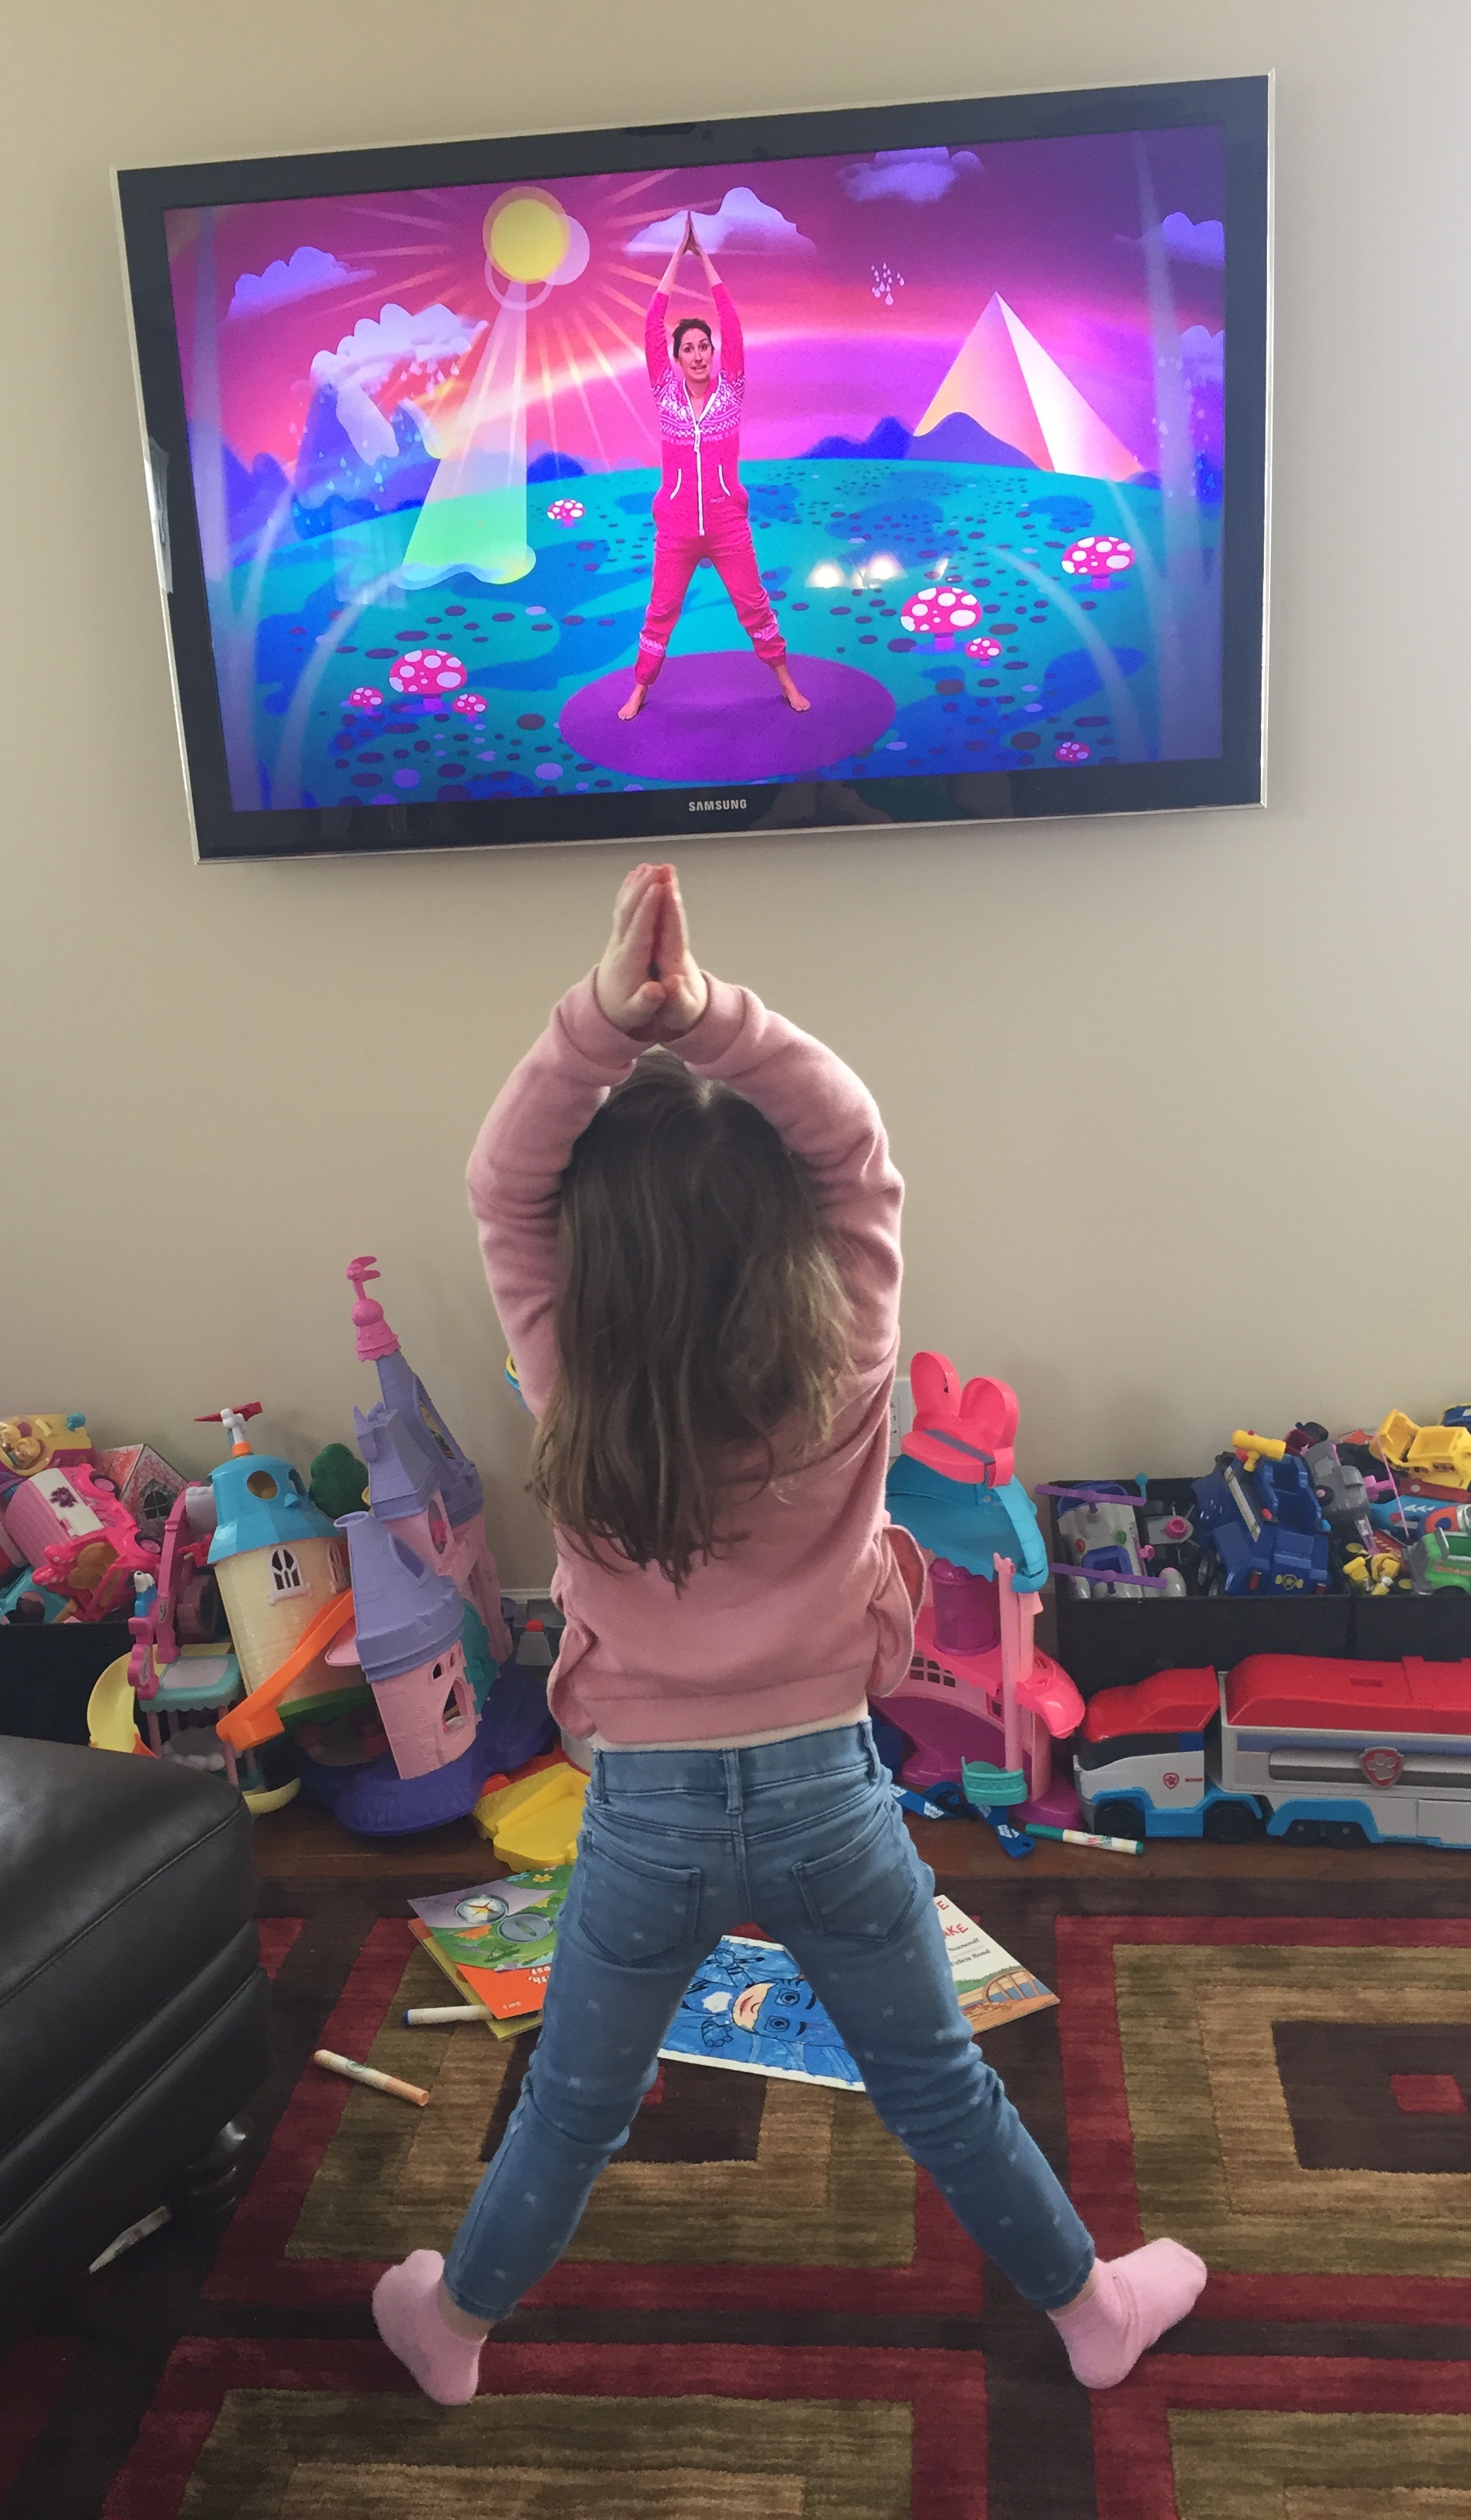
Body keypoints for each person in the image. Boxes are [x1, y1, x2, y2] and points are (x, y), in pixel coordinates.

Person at [372, 862, 1205, 2401]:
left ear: (583, 1270)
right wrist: (706, 1018)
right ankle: (1091, 2310)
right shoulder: (848, 1363)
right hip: (832, 1802)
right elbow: (854, 1149)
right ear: (799, 1242)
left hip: (645, 1819)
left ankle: (455, 2326)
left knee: (574, 2103)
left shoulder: (567, 1375)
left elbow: (503, 1187)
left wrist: (604, 1021)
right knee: (935, 2080)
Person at [618, 220, 810, 720]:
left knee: (754, 605)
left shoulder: (732, 391)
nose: (699, 355)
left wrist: (703, 259)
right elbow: (651, 325)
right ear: (677, 359)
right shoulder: (665, 396)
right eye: (688, 348)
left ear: (713, 351)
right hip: (677, 529)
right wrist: (675, 257)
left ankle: (785, 681)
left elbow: (733, 323)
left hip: (727, 526)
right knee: (661, 611)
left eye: (704, 346)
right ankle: (640, 687)